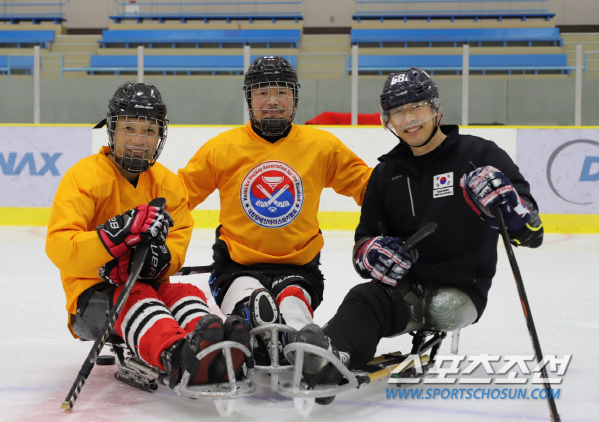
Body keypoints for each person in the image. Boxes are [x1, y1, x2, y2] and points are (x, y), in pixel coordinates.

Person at [295, 67, 544, 401]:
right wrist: (372, 253)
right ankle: (331, 356)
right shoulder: (385, 175)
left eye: (417, 108)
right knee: (364, 296)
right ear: (388, 121)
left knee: (444, 308)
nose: (408, 120)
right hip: (407, 286)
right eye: (398, 112)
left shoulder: (479, 155)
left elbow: (531, 232)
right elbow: (363, 241)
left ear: (436, 107)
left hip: (462, 289)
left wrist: (509, 206)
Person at [46, 82, 249, 390]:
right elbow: (60, 249)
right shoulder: (84, 177)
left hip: (148, 288)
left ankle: (214, 348)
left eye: (149, 131)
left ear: (160, 136)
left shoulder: (168, 185)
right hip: (92, 301)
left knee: (183, 293)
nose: (138, 141)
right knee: (138, 298)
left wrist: (159, 260)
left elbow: (176, 247)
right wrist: (112, 238)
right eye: (129, 128)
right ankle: (177, 356)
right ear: (111, 131)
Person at [178, 56, 373, 364]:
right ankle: (259, 333)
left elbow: (369, 188)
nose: (272, 101)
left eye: (281, 92)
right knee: (253, 306)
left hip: (299, 269)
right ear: (249, 99)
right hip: (236, 267)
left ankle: (303, 344)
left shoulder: (322, 146)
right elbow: (178, 196)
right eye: (261, 93)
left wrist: (414, 202)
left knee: (293, 304)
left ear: (294, 97)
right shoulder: (222, 149)